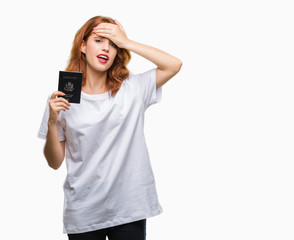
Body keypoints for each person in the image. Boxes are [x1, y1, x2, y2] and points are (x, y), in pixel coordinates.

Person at [37, 16, 182, 240]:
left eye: (113, 44)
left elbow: (174, 65)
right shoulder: (63, 99)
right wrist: (52, 122)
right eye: (99, 40)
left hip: (129, 209)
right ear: (83, 46)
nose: (106, 47)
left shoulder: (132, 89)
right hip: (84, 212)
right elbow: (54, 162)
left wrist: (127, 42)